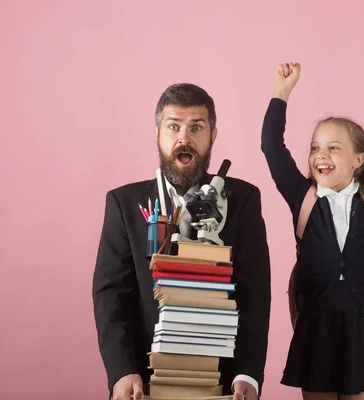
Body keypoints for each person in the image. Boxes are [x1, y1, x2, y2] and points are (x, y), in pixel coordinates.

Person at [93, 83, 271, 400]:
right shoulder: (123, 202)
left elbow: (255, 293)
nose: (183, 138)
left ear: (213, 135)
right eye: (174, 126)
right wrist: (121, 370)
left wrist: (248, 374)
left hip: (223, 382)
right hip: (142, 383)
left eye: (196, 127)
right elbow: (111, 295)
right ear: (157, 132)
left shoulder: (242, 199)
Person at [261, 63, 364, 399]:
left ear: (358, 159)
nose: (321, 155)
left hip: (363, 327)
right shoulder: (303, 198)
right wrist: (282, 92)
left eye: (333, 147)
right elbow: (272, 147)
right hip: (317, 327)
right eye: (316, 147)